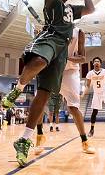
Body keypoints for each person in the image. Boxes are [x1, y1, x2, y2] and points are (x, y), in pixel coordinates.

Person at [1, 0, 95, 167]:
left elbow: (90, 9)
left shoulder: (72, 11)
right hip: (50, 38)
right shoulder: (52, 2)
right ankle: (17, 90)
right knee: (40, 61)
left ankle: (24, 139)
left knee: (43, 94)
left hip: (62, 54)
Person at [34, 27, 95, 155]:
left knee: (73, 108)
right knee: (39, 104)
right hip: (52, 70)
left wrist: (65, 59)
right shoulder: (49, 28)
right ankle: (39, 138)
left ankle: (85, 141)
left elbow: (82, 58)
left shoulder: (79, 32)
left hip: (70, 72)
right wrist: (37, 37)